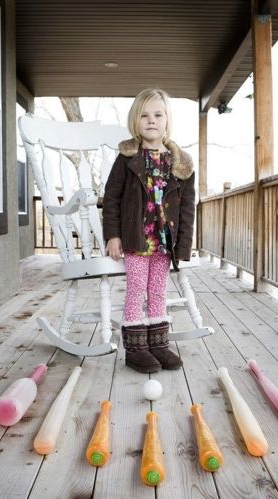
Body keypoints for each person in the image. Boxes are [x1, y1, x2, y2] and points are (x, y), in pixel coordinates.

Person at [102, 88, 195, 373]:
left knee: (157, 290)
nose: (151, 120)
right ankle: (135, 349)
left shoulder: (181, 164)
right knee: (136, 289)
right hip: (137, 238)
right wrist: (113, 235)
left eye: (158, 114)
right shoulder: (128, 157)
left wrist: (183, 246)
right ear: (135, 120)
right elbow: (111, 198)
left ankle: (158, 344)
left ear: (167, 120)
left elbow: (188, 208)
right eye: (144, 115)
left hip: (164, 240)